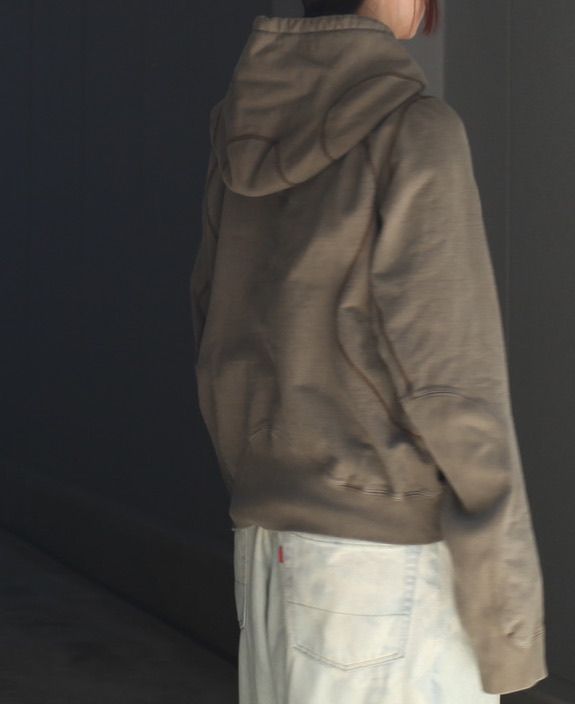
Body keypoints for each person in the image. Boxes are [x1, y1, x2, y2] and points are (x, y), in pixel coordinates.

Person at [190, 1, 548, 701]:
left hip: (269, 548)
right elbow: (454, 387)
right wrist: (509, 615)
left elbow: (215, 336)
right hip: (385, 570)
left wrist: (271, 482)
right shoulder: (414, 131)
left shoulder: (241, 129)